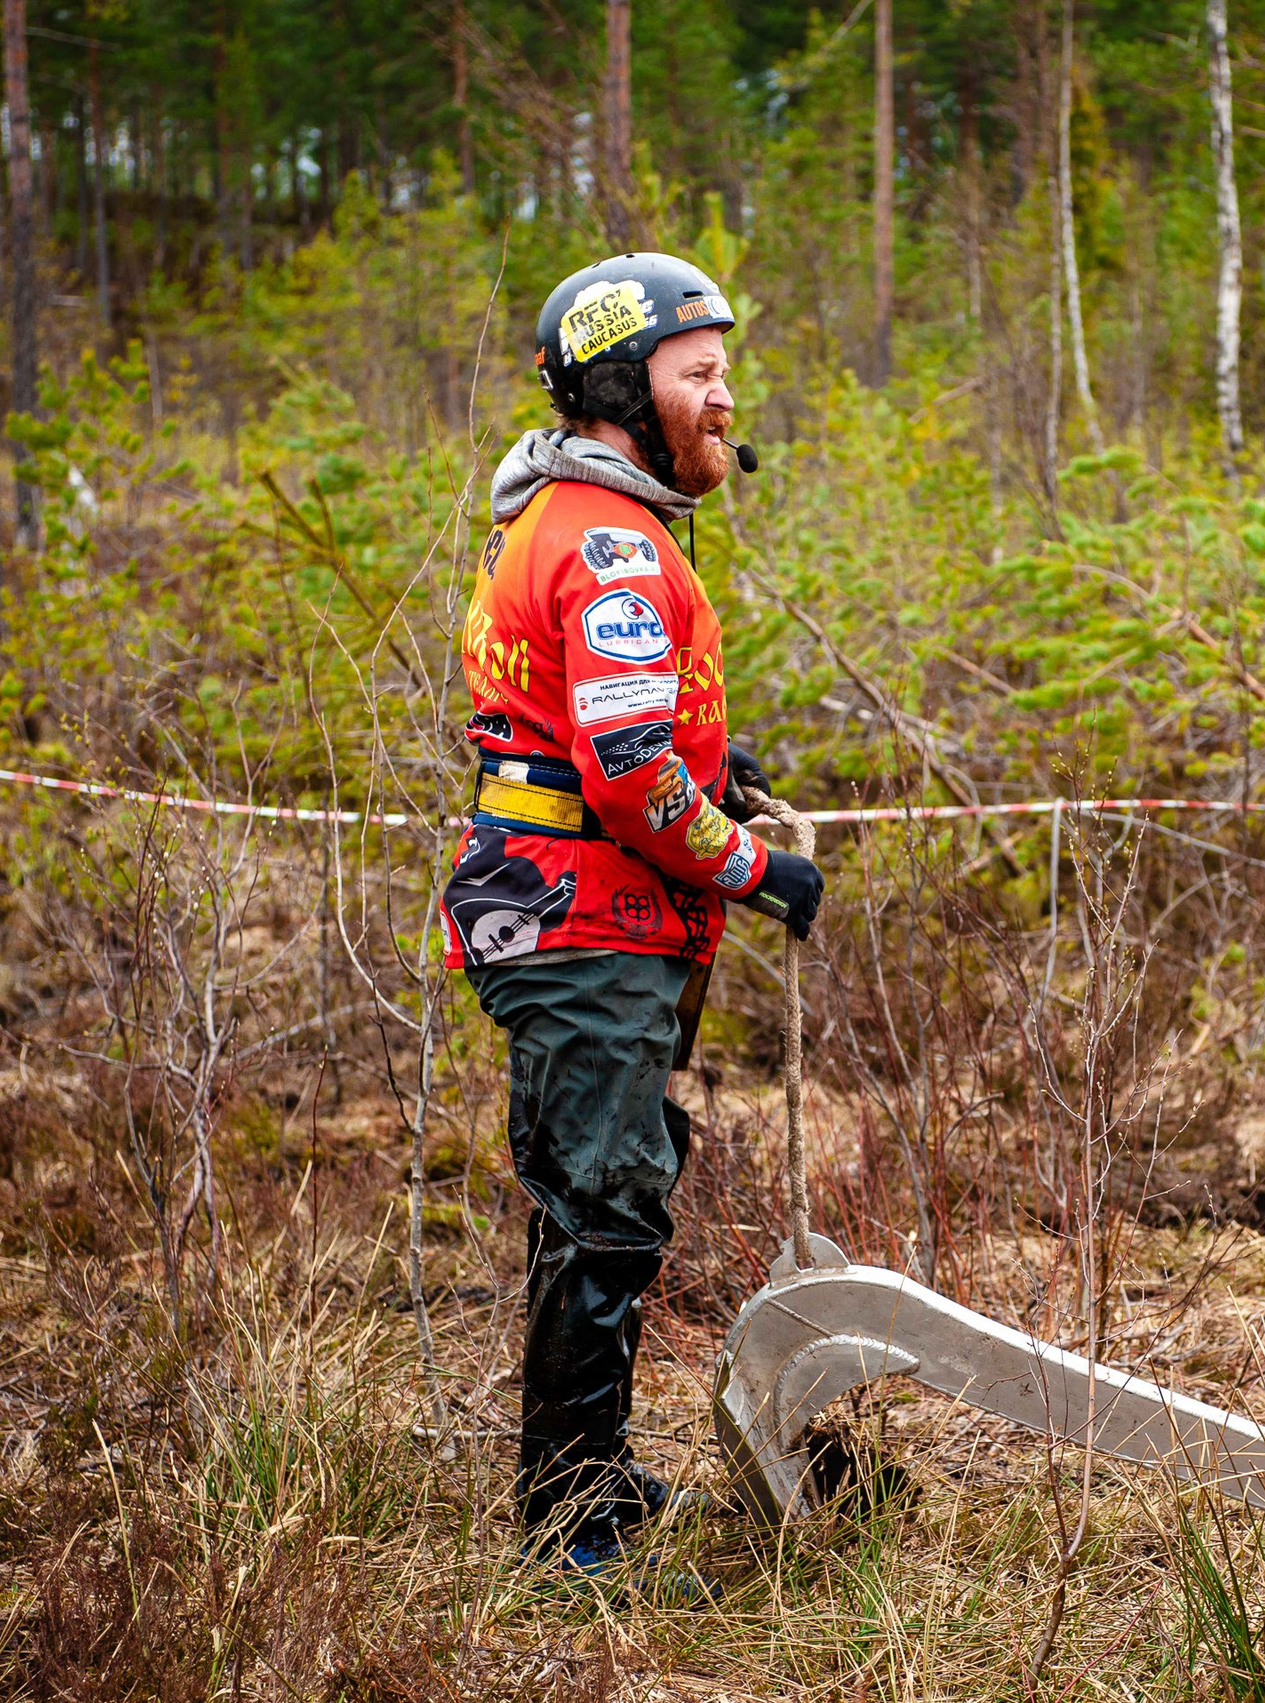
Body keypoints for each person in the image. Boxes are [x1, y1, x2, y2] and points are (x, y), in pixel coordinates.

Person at [441, 252, 824, 1574]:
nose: (727, 398)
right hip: (579, 918)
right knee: (603, 1204)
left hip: (570, 914)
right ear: (621, 388)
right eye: (701, 372)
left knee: (606, 1193)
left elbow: (595, 726)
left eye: (727, 371)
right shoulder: (607, 541)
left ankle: (586, 1475)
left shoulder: (581, 521)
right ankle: (567, 1526)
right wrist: (754, 867)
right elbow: (624, 770)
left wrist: (728, 778)